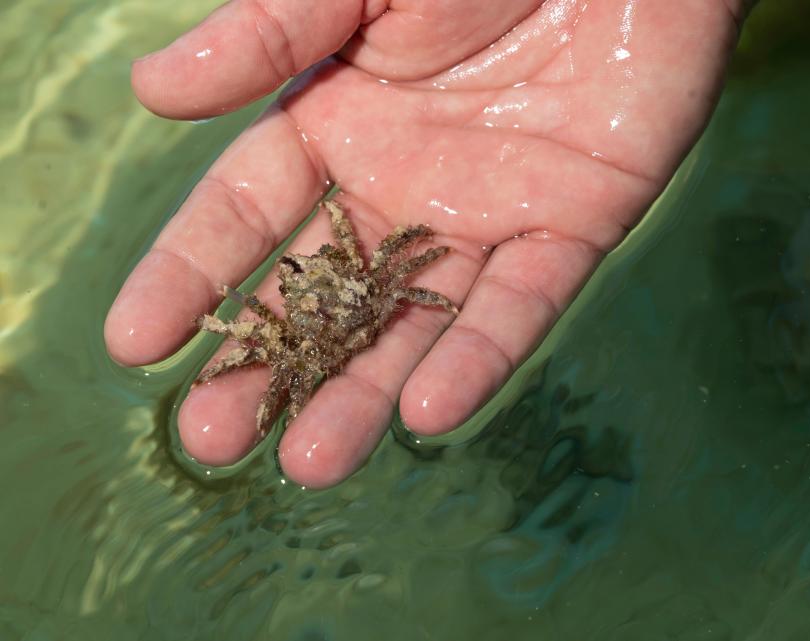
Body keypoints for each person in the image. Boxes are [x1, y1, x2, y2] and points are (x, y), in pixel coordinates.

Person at [104, 0, 751, 488]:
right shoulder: (349, 293)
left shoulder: (368, 274)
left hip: (346, 317)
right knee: (278, 379)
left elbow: (403, 257)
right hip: (337, 326)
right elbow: (388, 271)